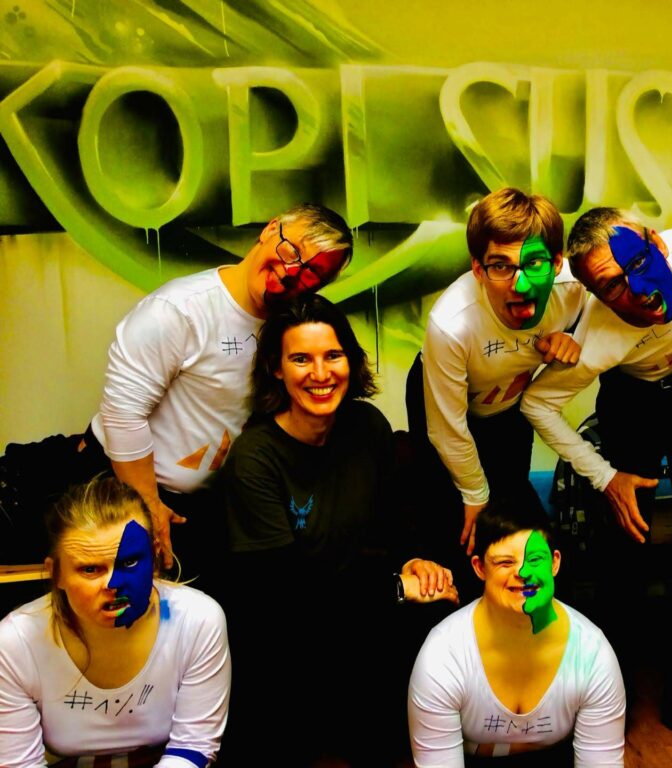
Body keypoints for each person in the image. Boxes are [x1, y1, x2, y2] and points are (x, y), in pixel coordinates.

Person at [520, 208, 672, 767]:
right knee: (624, 546)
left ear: (657, 242)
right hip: (633, 401)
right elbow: (536, 404)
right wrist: (606, 477)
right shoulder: (600, 333)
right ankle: (608, 695)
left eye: (637, 264)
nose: (635, 292)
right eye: (610, 287)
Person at [220, 294, 458, 766]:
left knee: (439, 607)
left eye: (333, 355)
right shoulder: (255, 457)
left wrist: (415, 561)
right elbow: (282, 590)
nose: (320, 373)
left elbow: (394, 520)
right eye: (301, 359)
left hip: (354, 610)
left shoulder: (367, 426)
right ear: (276, 369)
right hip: (284, 631)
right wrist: (395, 589)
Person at [83, 203, 353, 575]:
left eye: (313, 273)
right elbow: (122, 413)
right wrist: (147, 507)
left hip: (208, 504)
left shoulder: (292, 325)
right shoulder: (179, 309)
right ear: (270, 229)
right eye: (291, 250)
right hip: (124, 489)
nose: (293, 271)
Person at [406, 187, 587, 562]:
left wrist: (574, 337)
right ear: (478, 269)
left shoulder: (574, 291)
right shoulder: (451, 324)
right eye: (501, 266)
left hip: (507, 402)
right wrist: (475, 496)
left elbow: (609, 319)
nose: (520, 285)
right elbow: (447, 430)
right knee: (448, 512)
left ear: (556, 263)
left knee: (512, 496)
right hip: (446, 402)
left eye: (533, 264)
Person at [0, 476, 230, 768]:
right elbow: (19, 763)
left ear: (155, 557)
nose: (114, 584)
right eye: (90, 569)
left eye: (129, 562)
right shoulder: (15, 642)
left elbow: (193, 747)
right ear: (56, 573)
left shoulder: (197, 620)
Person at [408, 494, 625, 767]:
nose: (522, 572)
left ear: (555, 563)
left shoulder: (592, 653)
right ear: (479, 568)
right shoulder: (443, 654)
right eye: (505, 562)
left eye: (535, 559)